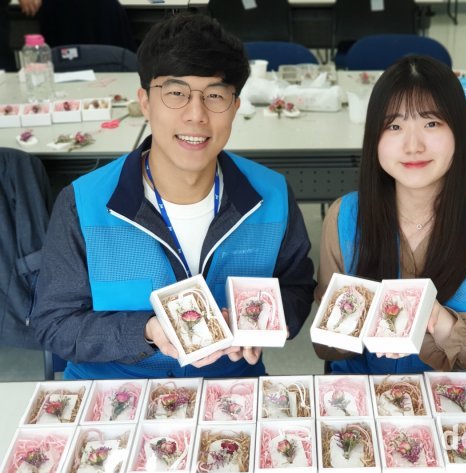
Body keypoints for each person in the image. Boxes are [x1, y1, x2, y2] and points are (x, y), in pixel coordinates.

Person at [30, 12, 316, 379]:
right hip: (112, 389)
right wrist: (147, 331)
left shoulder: (271, 195)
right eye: (176, 93)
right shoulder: (84, 203)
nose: (196, 115)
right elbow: (54, 323)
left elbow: (296, 287)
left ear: (235, 107)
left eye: (215, 95)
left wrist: (261, 321)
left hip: (227, 388)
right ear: (145, 102)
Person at [313, 55, 466, 374]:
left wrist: (442, 323)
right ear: (374, 138)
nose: (413, 145)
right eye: (394, 126)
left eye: (431, 123)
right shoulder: (344, 217)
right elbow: (328, 348)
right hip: (365, 394)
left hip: (462, 397)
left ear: (459, 131)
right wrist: (349, 319)